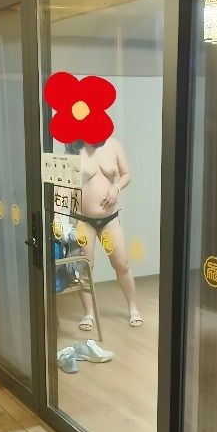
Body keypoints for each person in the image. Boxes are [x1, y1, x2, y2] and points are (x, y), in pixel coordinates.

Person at [65, 136, 143, 329]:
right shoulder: (72, 148)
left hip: (109, 219)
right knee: (85, 268)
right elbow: (64, 184)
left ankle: (133, 309)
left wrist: (116, 187)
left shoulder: (113, 144)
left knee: (122, 264)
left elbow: (126, 174)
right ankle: (88, 314)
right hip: (83, 220)